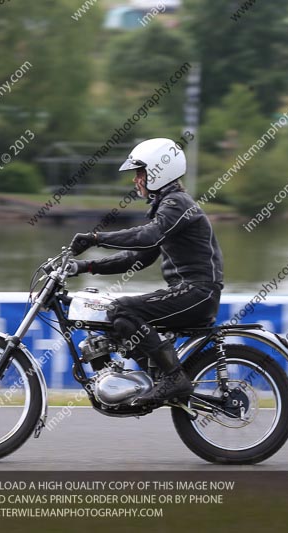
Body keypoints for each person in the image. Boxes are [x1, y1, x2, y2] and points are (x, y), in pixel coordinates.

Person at [66, 138, 224, 405]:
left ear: (159, 171)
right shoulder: (169, 206)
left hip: (197, 293)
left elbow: (148, 235)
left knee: (122, 309)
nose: (135, 180)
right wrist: (84, 266)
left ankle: (173, 378)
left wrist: (95, 239)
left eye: (140, 172)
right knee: (114, 316)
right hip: (188, 292)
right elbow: (136, 258)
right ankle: (156, 377)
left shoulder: (177, 204)